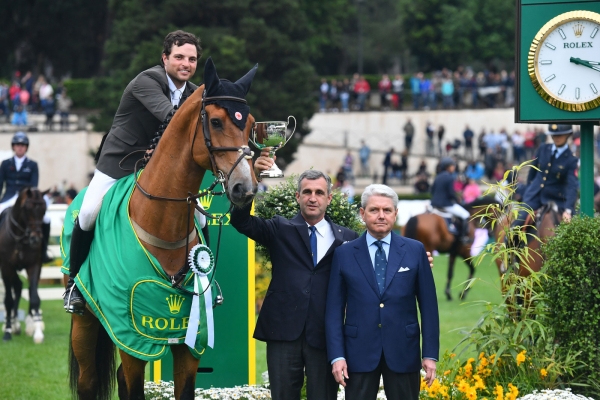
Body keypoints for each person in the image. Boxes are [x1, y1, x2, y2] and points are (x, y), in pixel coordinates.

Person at [63, 30, 202, 314]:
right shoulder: (147, 81)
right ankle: (75, 284)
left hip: (160, 169)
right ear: (165, 58)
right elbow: (173, 121)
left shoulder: (193, 92)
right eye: (179, 57)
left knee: (200, 215)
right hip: (121, 160)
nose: (186, 63)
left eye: (192, 59)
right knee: (89, 211)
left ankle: (202, 280)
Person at [231, 167, 360, 400]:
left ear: (329, 198)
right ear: (297, 196)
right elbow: (241, 222)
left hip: (325, 334)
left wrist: (417, 261)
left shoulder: (348, 238)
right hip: (282, 331)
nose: (313, 198)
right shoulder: (279, 228)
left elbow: (372, 265)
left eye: (319, 193)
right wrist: (252, 177)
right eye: (307, 192)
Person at [325, 184, 439, 400]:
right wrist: (337, 356)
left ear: (395, 214)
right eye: (374, 210)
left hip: (404, 351)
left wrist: (430, 354)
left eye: (387, 210)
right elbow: (334, 311)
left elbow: (429, 307)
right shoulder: (344, 254)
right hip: (358, 353)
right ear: (362, 213)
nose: (381, 216)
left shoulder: (415, 250)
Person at [513, 124, 579, 230]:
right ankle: (509, 245)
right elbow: (532, 172)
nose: (556, 138)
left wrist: (568, 209)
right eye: (554, 135)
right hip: (535, 196)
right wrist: (529, 189)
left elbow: (571, 186)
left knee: (575, 230)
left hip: (557, 199)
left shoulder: (571, 159)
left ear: (568, 135)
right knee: (517, 223)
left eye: (560, 135)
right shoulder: (543, 148)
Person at [0, 132, 52, 262]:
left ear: (26, 147)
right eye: (17, 144)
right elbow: (1, 184)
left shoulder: (32, 165)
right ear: (13, 147)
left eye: (23, 145)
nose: (20, 147)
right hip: (9, 197)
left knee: (46, 218)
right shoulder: (5, 164)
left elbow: (34, 186)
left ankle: (43, 251)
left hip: (26, 198)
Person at [430, 157, 470, 243]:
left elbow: (432, 191)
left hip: (434, 205)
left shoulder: (437, 177)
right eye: (452, 166)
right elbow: (451, 194)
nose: (454, 167)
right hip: (445, 205)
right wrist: (458, 200)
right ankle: (463, 237)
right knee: (466, 214)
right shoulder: (450, 177)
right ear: (448, 167)